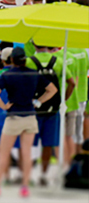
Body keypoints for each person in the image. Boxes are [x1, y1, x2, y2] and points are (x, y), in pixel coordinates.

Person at [0, 46, 59, 198]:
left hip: (14, 117)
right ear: (24, 60)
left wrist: (3, 106)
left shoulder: (8, 75)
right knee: (26, 152)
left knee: (4, 154)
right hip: (30, 117)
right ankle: (25, 187)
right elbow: (52, 89)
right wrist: (38, 101)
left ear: (11, 60)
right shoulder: (33, 74)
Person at [27, 43, 76, 184]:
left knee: (29, 143)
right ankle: (43, 174)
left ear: (35, 46)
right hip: (53, 109)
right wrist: (63, 99)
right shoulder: (58, 61)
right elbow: (72, 82)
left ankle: (27, 174)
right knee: (48, 144)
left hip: (33, 109)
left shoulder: (29, 62)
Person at [63, 45, 89, 166]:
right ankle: (79, 156)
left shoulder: (64, 53)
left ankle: (68, 158)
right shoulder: (83, 51)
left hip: (69, 96)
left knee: (68, 131)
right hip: (82, 95)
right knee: (78, 129)